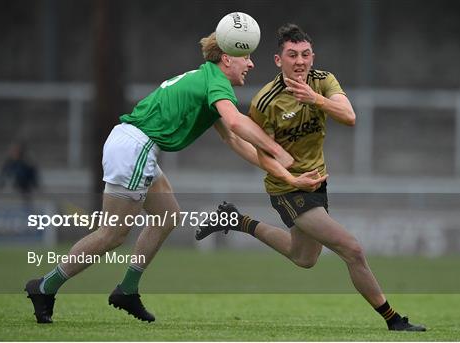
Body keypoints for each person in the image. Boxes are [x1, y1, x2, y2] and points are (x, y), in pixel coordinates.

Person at [24, 31, 294, 324]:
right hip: (135, 149)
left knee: (167, 215)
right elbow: (235, 122)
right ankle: (44, 287)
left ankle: (127, 290)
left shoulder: (208, 79)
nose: (251, 64)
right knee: (112, 234)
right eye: (246, 57)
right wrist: (279, 152)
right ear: (226, 58)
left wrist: (277, 169)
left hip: (136, 147)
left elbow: (234, 140)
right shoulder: (216, 82)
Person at [196, 24, 426, 332]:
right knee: (352, 249)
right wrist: (290, 178)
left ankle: (236, 221)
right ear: (279, 60)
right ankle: (393, 319)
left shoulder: (323, 81)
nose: (300, 61)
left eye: (305, 54)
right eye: (292, 55)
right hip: (288, 189)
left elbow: (350, 116)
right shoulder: (266, 101)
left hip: (317, 183)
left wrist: (315, 100)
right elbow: (261, 151)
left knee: (303, 257)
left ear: (312, 56)